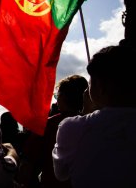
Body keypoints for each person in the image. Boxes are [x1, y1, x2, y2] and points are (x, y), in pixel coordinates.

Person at [52, 45, 136, 188]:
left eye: (90, 82)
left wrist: (87, 115)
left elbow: (61, 173)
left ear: (100, 87)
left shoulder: (71, 127)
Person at [18, 75, 88, 188]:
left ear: (65, 97)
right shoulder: (92, 124)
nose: (56, 99)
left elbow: (27, 165)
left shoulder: (47, 125)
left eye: (57, 95)